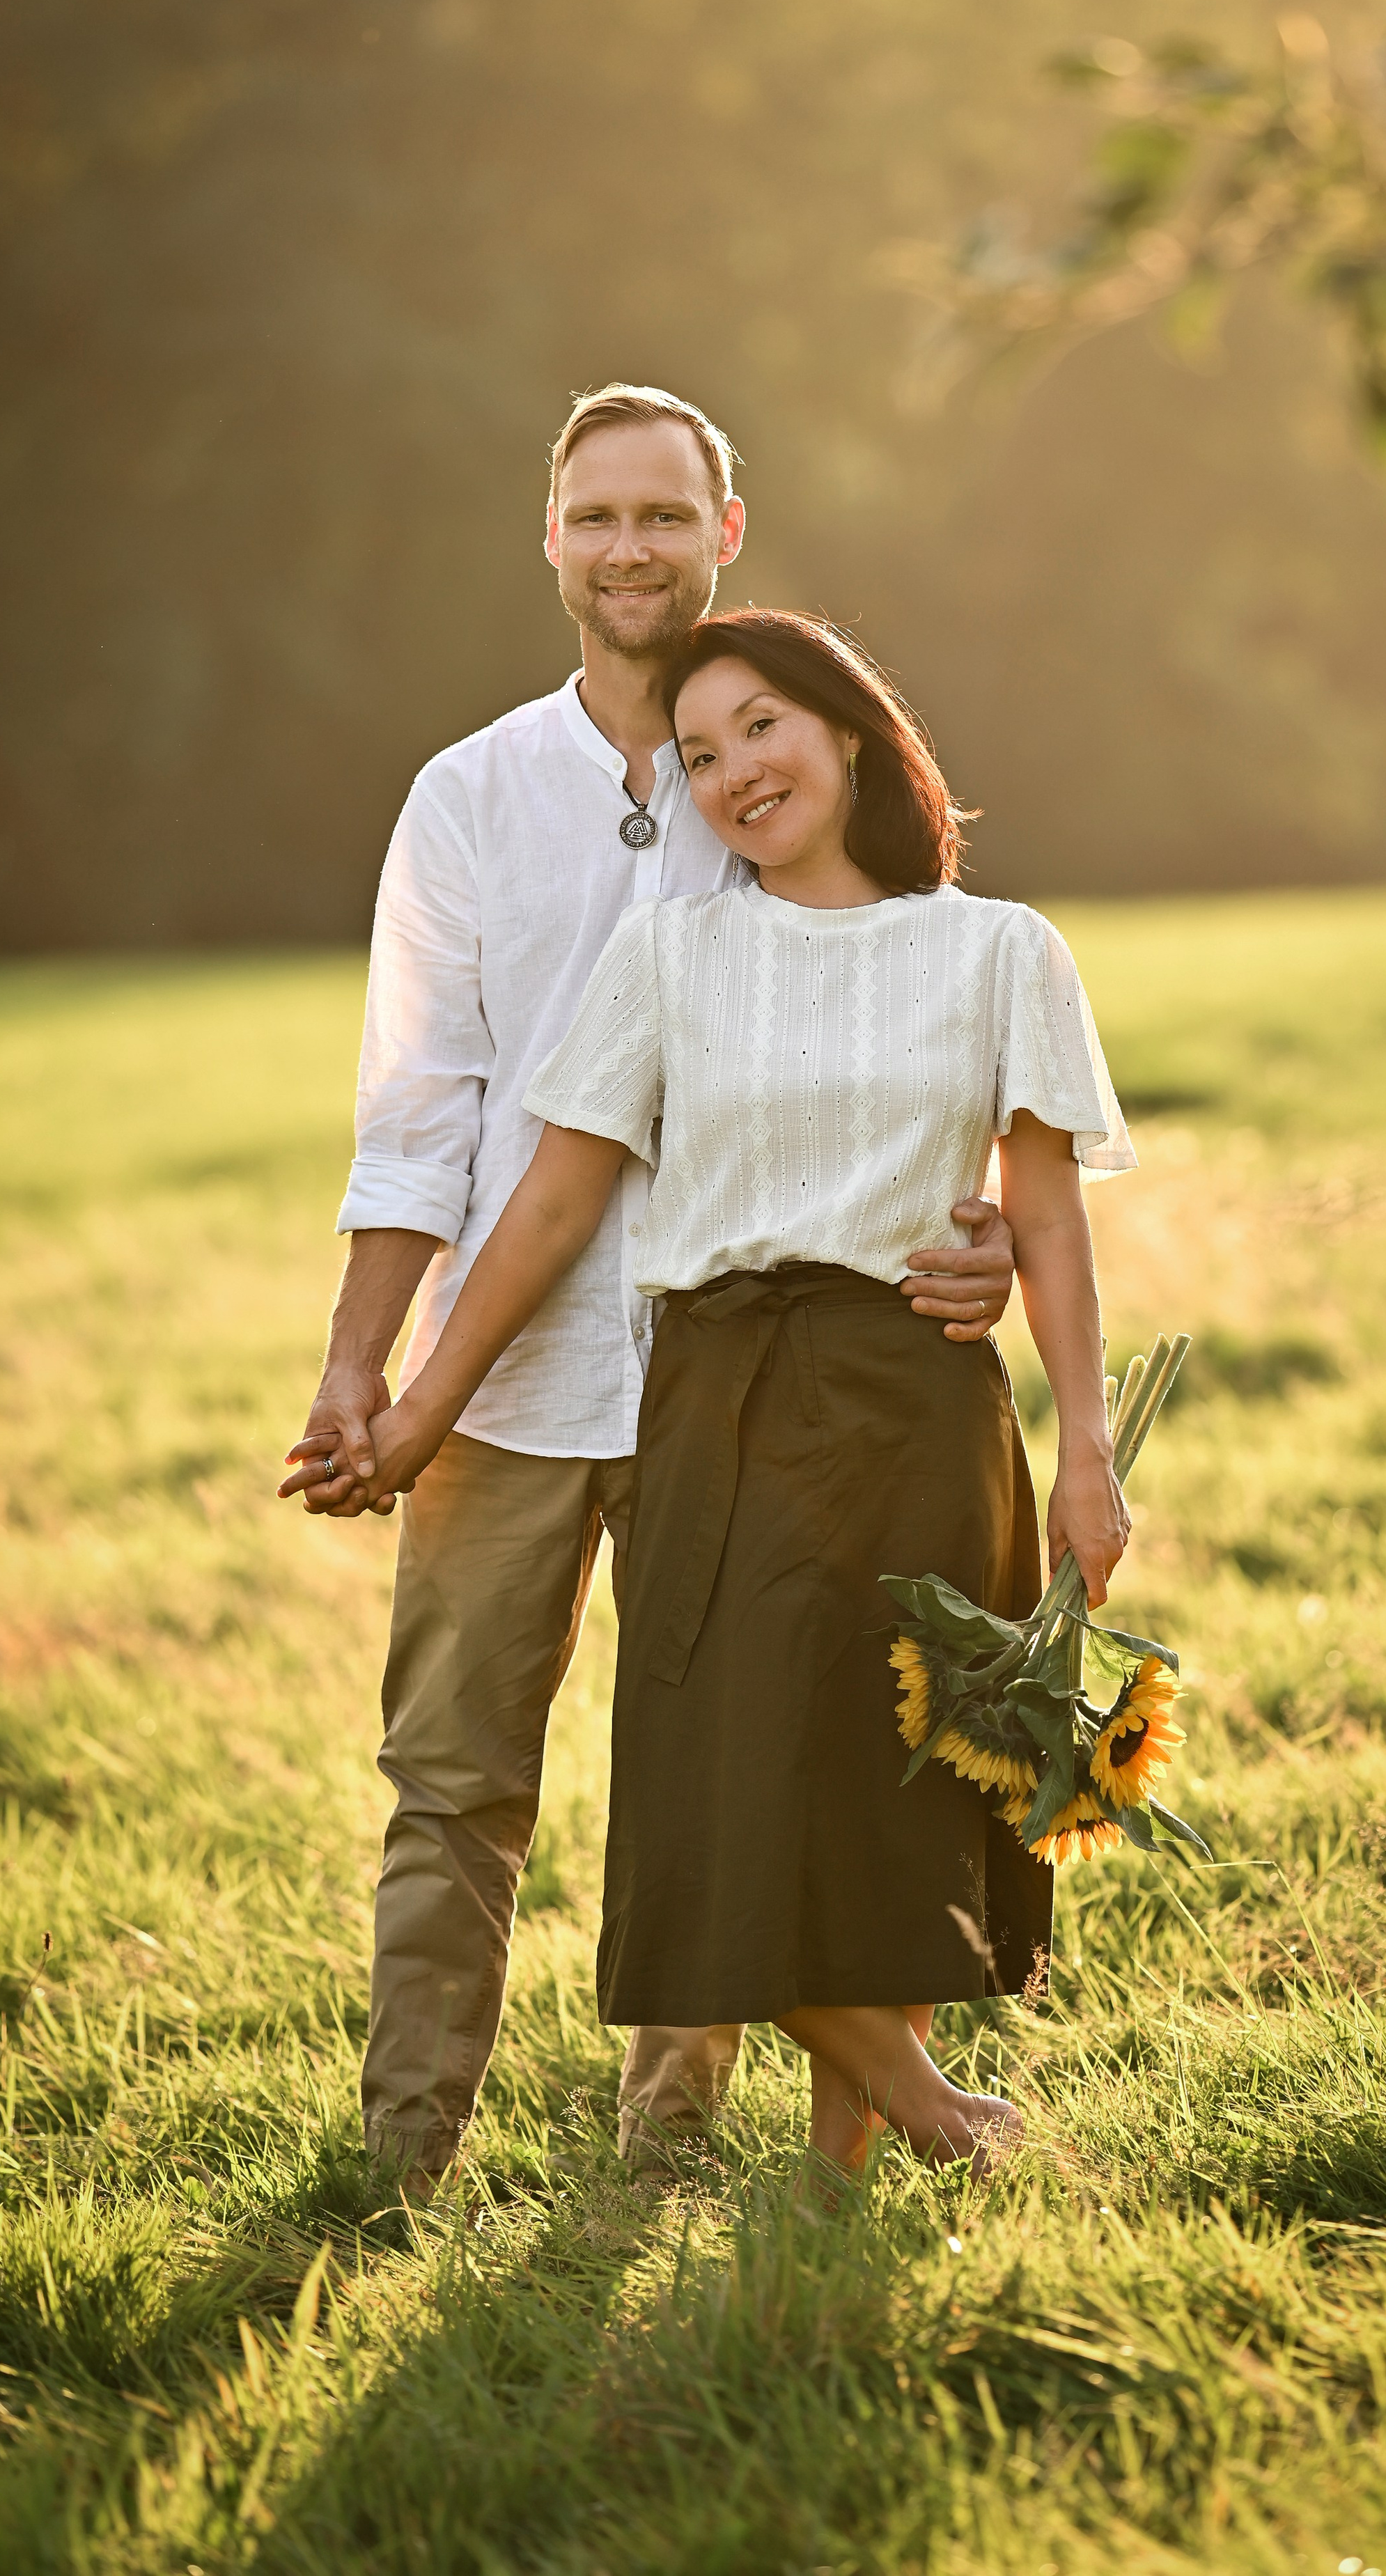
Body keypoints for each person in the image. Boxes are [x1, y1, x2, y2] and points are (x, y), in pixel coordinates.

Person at [279, 389, 1020, 2189]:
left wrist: (977, 1220)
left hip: (737, 1380)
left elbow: (902, 1021)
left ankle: (669, 2145)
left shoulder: (777, 765)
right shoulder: (467, 799)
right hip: (507, 1375)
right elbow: (422, 1116)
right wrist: (361, 1365)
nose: (631, 549)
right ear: (550, 538)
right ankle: (400, 2164)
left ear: (727, 530)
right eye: (597, 516)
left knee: (717, 1773)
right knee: (453, 1779)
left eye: (664, 517)